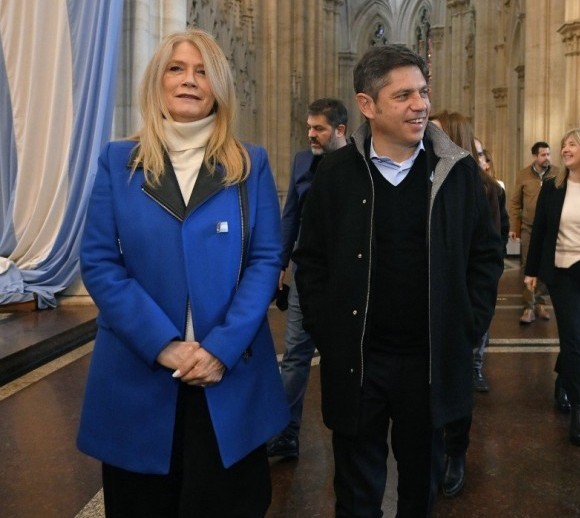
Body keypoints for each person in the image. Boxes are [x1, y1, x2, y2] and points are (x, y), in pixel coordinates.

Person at [77, 29, 288, 516]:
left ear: (219, 87)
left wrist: (220, 349)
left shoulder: (248, 164)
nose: (189, 81)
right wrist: (163, 344)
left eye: (202, 71)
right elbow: (101, 263)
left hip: (227, 376)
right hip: (140, 373)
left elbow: (263, 261)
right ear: (157, 82)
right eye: (177, 69)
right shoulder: (118, 162)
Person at [293, 45, 504, 516]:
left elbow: (485, 255)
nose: (420, 105)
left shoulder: (456, 171)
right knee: (355, 492)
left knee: (420, 490)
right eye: (403, 94)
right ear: (367, 105)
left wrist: (466, 324)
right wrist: (329, 330)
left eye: (424, 92)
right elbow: (312, 261)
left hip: (428, 361)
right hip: (359, 362)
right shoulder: (335, 174)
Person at [427, 111, 509, 498]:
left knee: (456, 383)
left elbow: (488, 254)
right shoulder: (424, 176)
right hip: (429, 304)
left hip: (461, 306)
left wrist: (475, 316)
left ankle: (456, 451)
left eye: (438, 133)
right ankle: (434, 450)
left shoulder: (483, 187)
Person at [267, 98, 348, 459]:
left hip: (346, 277)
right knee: (296, 355)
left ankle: (349, 435)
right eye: (309, 128)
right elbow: (290, 217)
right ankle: (285, 435)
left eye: (319, 129)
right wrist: (279, 265)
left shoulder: (360, 162)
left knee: (343, 354)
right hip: (304, 273)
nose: (311, 135)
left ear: (340, 130)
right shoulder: (302, 160)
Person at [523, 128, 580, 447]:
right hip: (561, 273)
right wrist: (531, 272)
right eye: (563, 146)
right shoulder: (553, 187)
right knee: (573, 337)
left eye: (572, 144)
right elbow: (541, 231)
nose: (565, 149)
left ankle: (563, 379)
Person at [509, 141, 559, 325]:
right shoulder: (523, 175)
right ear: (534, 156)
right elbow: (515, 203)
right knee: (527, 266)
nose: (547, 158)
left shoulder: (558, 173)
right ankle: (528, 307)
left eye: (549, 154)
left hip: (549, 230)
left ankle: (541, 303)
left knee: (545, 266)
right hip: (529, 228)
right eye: (543, 155)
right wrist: (514, 226)